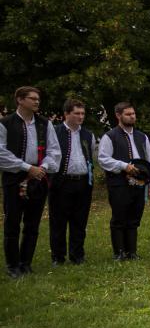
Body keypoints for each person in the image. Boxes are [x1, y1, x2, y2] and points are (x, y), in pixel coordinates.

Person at [1, 86, 61, 277]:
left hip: (39, 176)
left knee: (32, 223)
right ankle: (13, 265)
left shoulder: (44, 123)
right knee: (12, 223)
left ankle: (26, 263)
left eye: (38, 98)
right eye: (32, 98)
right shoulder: (6, 123)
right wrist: (27, 167)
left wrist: (43, 167)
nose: (37, 101)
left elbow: (54, 150)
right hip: (14, 176)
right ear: (20, 100)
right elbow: (1, 153)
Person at [97, 101, 150, 260]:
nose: (132, 116)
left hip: (139, 183)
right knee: (119, 217)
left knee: (134, 217)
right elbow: (103, 159)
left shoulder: (142, 137)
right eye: (128, 114)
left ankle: (132, 252)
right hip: (119, 183)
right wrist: (123, 166)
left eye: (133, 114)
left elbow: (148, 160)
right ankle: (119, 252)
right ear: (118, 115)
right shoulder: (110, 136)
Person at [49, 98, 95, 265]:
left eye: (82, 113)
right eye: (76, 113)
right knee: (58, 221)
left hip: (82, 182)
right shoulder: (55, 132)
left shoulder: (88, 134)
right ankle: (58, 256)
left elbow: (90, 156)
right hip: (62, 182)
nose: (80, 116)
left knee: (80, 220)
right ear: (66, 114)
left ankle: (77, 255)